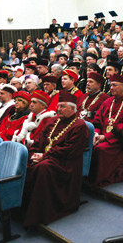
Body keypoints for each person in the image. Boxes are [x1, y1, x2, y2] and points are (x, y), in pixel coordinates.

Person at [20, 90, 89, 226]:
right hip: (49, 156)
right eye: (58, 106)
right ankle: (21, 208)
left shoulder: (79, 126)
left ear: (73, 109)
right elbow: (40, 141)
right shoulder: (53, 120)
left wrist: (44, 156)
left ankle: (39, 214)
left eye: (63, 106)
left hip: (65, 163)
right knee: (25, 159)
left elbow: (70, 151)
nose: (59, 109)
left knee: (43, 167)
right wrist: (34, 153)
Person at [90, 74, 123, 188]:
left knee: (99, 149)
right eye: (110, 85)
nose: (111, 88)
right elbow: (97, 119)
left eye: (114, 85)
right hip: (102, 135)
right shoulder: (108, 102)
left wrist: (105, 137)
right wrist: (96, 133)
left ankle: (99, 179)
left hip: (118, 140)